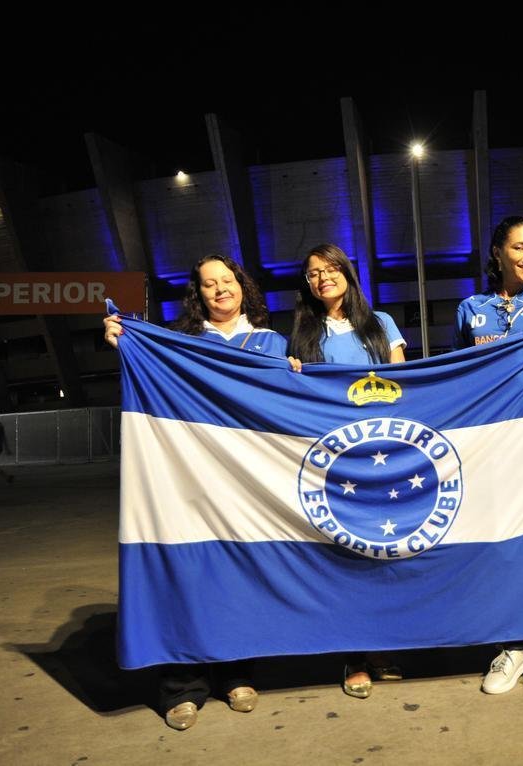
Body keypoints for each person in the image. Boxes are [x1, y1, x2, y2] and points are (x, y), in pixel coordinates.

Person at [104, 253, 287, 730]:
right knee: (187, 574)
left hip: (249, 480)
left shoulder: (272, 341)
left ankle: (237, 674)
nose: (220, 289)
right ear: (198, 294)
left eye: (227, 280)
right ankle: (182, 686)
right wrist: (124, 340)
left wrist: (293, 373)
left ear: (243, 287)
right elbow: (149, 369)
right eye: (209, 284)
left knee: (240, 576)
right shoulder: (182, 341)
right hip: (189, 474)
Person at [452, 216, 523, 699]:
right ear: (497, 252)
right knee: (498, 546)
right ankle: (510, 645)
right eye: (519, 247)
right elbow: (456, 377)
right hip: (491, 451)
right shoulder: (470, 309)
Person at [288, 243, 406, 698]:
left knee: (380, 558)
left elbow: (403, 385)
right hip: (333, 463)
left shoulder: (381, 325)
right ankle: (354, 656)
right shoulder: (301, 335)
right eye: (313, 273)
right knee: (342, 561)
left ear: (348, 273)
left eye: (331, 268)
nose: (323, 278)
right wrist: (292, 371)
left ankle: (381, 645)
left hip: (379, 456)